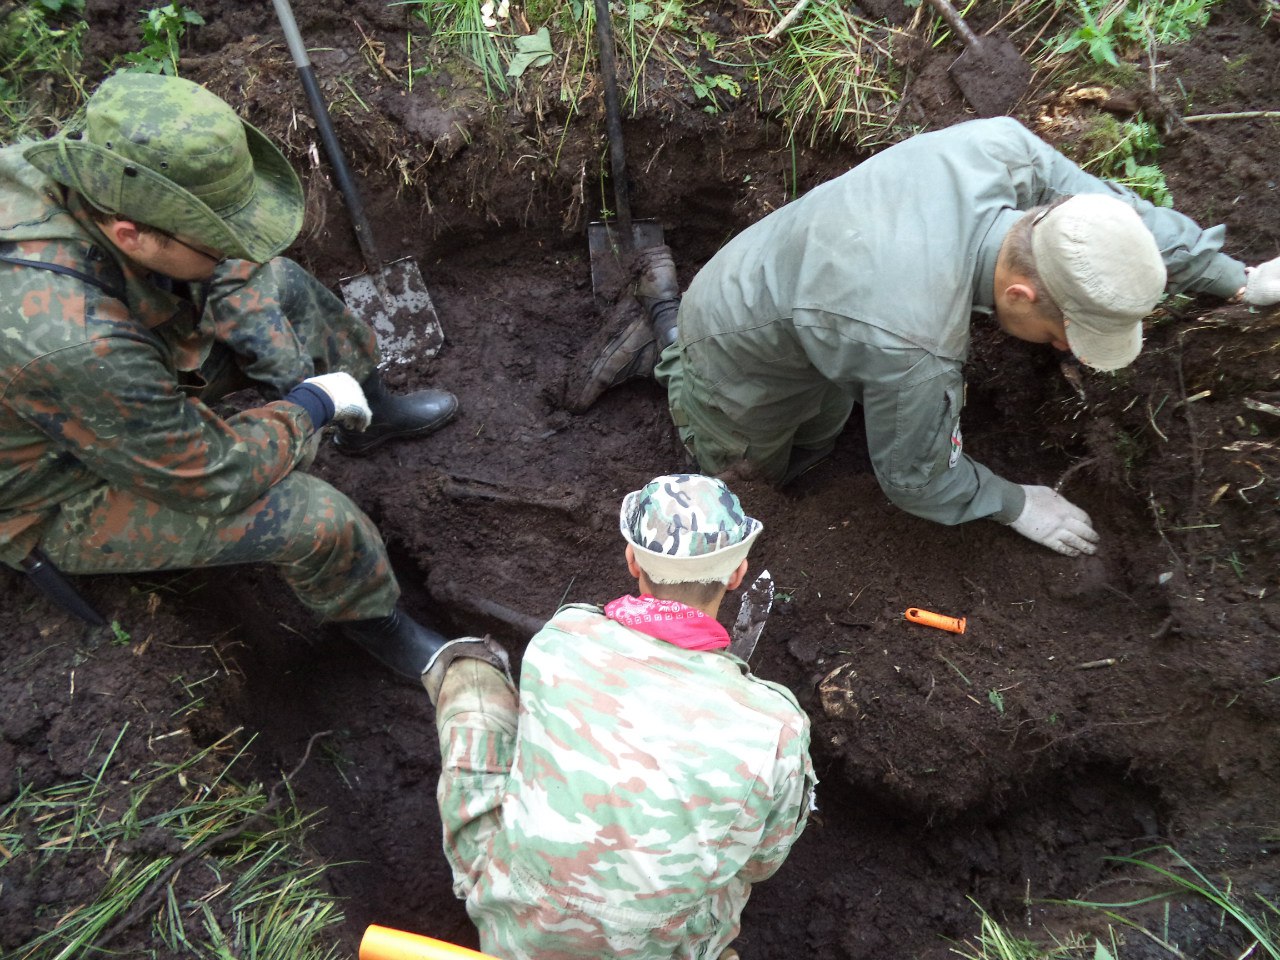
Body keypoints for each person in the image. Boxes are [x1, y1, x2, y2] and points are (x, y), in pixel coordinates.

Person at [573, 117, 1280, 557]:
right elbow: (915, 479)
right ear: (1021, 294)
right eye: (1066, 332)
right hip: (737, 338)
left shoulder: (1000, 151)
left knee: (831, 413)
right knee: (762, 475)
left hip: (794, 277)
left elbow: (1119, 221)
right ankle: (666, 341)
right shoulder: (912, 344)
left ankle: (676, 327)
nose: (1066, 350)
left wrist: (1235, 279)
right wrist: (1014, 501)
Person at [0, 72, 457, 678]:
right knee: (315, 518)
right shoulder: (78, 342)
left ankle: (372, 415)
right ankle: (381, 629)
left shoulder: (94, 186)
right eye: (217, 243)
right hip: (55, 486)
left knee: (286, 285)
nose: (235, 252)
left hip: (103, 388)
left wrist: (284, 369)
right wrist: (308, 407)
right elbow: (211, 476)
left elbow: (237, 273)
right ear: (132, 236)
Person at [419, 473, 816, 959]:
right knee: (725, 878)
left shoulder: (562, 637)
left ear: (632, 560)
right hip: (648, 947)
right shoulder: (776, 726)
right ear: (737, 575)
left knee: (473, 679)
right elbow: (760, 864)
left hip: (511, 924)